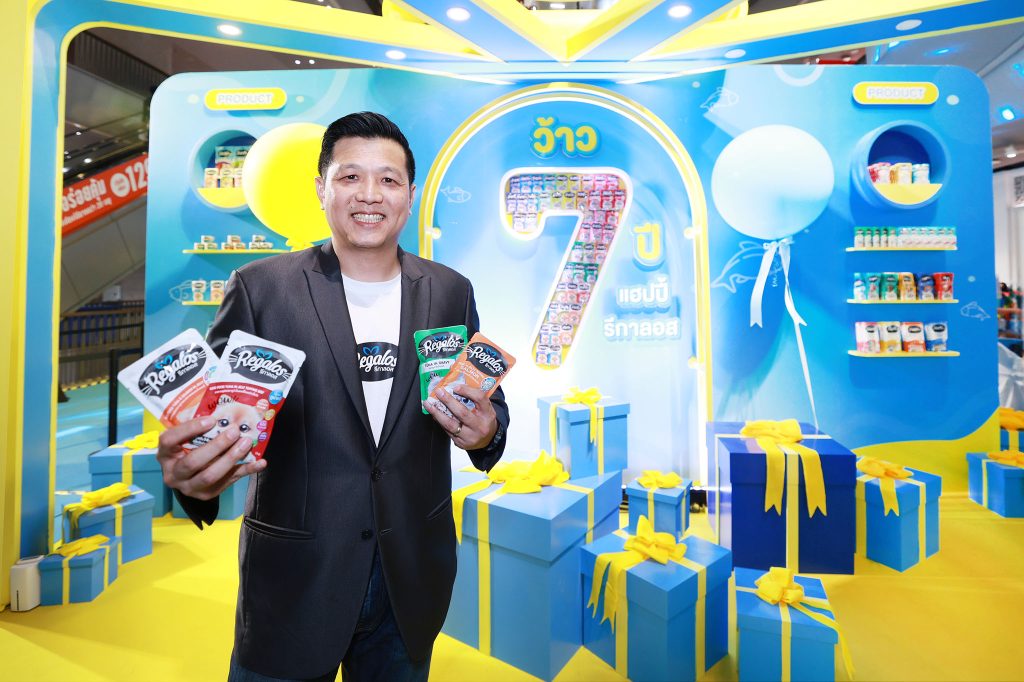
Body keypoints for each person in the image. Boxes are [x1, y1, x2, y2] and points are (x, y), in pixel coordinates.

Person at [156, 112, 509, 682]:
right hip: (295, 581)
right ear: (321, 188)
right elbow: (211, 424)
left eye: (388, 179)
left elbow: (490, 405)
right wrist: (194, 477)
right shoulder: (261, 289)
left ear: (410, 196)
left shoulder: (449, 290)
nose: (370, 194)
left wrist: (486, 433)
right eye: (350, 177)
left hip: (409, 582)